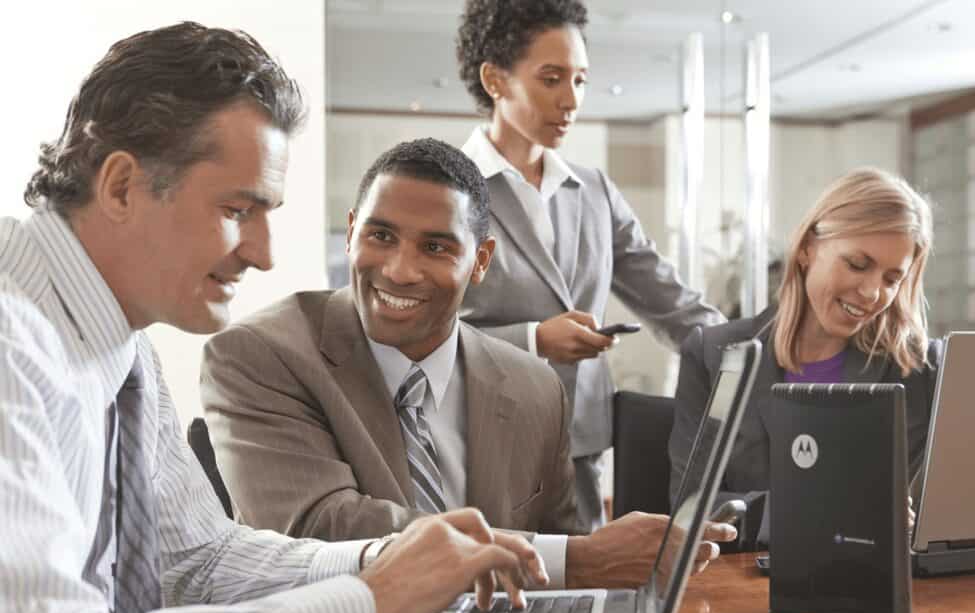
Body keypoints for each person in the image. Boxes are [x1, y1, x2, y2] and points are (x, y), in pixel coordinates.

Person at [0, 23, 547, 613]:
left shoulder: (119, 345)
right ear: (121, 187)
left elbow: (200, 561)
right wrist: (369, 602)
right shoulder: (13, 343)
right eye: (237, 209)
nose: (263, 254)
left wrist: (385, 557)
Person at [202, 138, 736, 590]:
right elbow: (319, 528)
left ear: (480, 260)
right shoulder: (259, 355)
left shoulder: (536, 388)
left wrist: (597, 561)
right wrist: (578, 559)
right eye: (380, 235)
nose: (400, 270)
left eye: (435, 247)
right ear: (350, 231)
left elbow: (561, 553)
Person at [455, 0, 726, 531]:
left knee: (586, 590)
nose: (571, 100)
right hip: (482, 442)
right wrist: (534, 339)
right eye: (552, 79)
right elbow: (414, 334)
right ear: (495, 79)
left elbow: (668, 299)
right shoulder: (448, 188)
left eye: (580, 80)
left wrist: (757, 353)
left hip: (580, 446)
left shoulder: (594, 190)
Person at [668, 168, 942, 551]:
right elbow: (688, 510)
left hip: (878, 585)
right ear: (807, 248)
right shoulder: (712, 354)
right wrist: (818, 511)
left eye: (892, 279)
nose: (871, 292)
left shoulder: (921, 369)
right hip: (748, 586)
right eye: (858, 264)